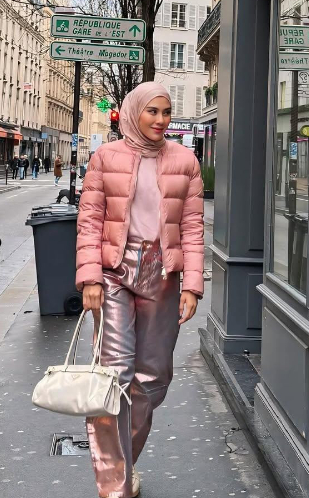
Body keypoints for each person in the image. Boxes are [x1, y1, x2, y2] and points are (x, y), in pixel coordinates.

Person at [75, 81, 204, 498]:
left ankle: (123, 462)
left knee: (151, 378)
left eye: (166, 112)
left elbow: (192, 228)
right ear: (134, 112)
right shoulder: (106, 156)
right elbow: (90, 220)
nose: (161, 120)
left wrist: (193, 285)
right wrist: (90, 277)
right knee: (114, 373)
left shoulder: (185, 160)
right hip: (114, 270)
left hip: (161, 271)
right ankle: (115, 482)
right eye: (153, 112)